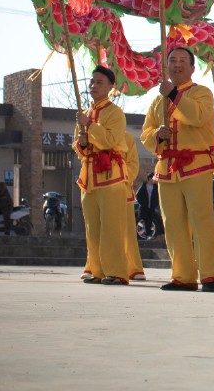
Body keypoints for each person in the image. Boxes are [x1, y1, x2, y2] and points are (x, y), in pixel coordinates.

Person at [140, 47, 214, 292]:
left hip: (196, 165)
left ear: (192, 67)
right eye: (172, 60)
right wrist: (158, 135)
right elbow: (146, 133)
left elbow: (198, 116)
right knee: (173, 224)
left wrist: (174, 94)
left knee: (202, 221)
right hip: (166, 168)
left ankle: (211, 275)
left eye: (182, 60)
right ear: (166, 67)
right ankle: (183, 276)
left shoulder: (202, 93)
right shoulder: (157, 101)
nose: (177, 64)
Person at [76, 66, 131, 285]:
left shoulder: (115, 113)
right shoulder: (84, 113)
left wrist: (90, 126)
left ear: (110, 87)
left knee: (111, 226)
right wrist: (81, 143)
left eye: (99, 82)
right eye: (92, 82)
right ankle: (96, 270)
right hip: (88, 176)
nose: (94, 85)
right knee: (92, 227)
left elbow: (111, 140)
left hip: (111, 176)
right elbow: (78, 146)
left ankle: (117, 272)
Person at [121, 132, 145, 281]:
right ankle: (96, 266)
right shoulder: (90, 130)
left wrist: (116, 176)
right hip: (96, 188)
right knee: (96, 229)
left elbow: (133, 165)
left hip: (121, 190)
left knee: (128, 231)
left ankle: (133, 267)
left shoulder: (127, 139)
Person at [135, 173, 159, 239]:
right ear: (149, 179)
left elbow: (158, 197)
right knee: (143, 219)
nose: (154, 180)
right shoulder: (143, 186)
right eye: (153, 179)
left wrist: (155, 204)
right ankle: (143, 234)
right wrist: (143, 203)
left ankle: (149, 234)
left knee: (150, 220)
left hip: (151, 208)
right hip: (144, 208)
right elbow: (138, 195)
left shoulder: (156, 187)